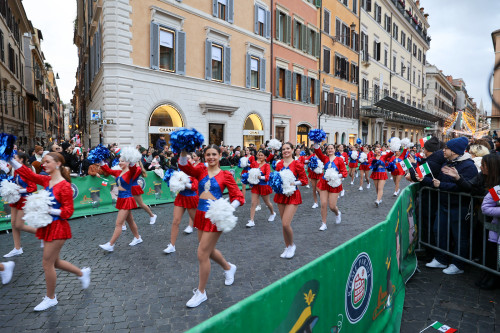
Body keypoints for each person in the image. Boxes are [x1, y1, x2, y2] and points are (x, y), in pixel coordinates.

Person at [9, 153, 91, 311]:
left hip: (58, 227)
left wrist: (49, 210)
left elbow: (68, 212)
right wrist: (9, 159)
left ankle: (51, 298)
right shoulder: (47, 180)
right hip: (48, 227)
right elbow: (28, 174)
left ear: (58, 163)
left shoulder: (64, 185)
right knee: (56, 262)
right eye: (43, 162)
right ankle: (82, 273)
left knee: (47, 264)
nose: (43, 164)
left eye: (47, 162)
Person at [178, 145, 244, 308]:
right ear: (204, 156)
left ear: (220, 155)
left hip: (215, 217)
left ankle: (201, 292)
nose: (211, 157)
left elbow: (238, 196)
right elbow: (184, 166)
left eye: (214, 154)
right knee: (207, 249)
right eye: (208, 155)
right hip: (201, 215)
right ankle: (229, 267)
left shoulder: (226, 175)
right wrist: (183, 151)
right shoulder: (200, 170)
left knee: (202, 253)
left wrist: (227, 209)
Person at [426, 137, 478, 275]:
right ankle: (441, 258)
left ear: (454, 151)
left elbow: (464, 187)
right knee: (440, 232)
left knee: (459, 236)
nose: (443, 150)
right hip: (444, 204)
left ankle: (458, 264)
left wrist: (441, 185)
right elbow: (437, 180)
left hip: (459, 206)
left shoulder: (468, 166)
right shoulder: (446, 163)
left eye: (447, 148)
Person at [99, 157, 144, 251]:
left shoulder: (131, 172)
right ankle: (137, 237)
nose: (119, 163)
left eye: (122, 161)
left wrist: (132, 161)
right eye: (119, 161)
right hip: (121, 199)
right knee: (130, 221)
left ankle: (111, 244)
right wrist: (101, 160)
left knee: (118, 224)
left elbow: (135, 169)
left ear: (128, 162)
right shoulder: (118, 172)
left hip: (127, 199)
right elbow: (108, 170)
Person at [273, 142, 308, 258]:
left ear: (292, 150)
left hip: (293, 194)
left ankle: (292, 245)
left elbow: (304, 180)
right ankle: (287, 246)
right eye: (283, 149)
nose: (285, 151)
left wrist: (293, 183)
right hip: (281, 195)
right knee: (283, 225)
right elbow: (276, 179)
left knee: (286, 223)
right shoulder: (279, 165)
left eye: (288, 148)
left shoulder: (297, 164)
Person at [2, 153, 38, 258]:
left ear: (21, 160)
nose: (13, 160)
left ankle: (44, 233)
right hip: (16, 198)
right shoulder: (15, 170)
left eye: (15, 158)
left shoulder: (27, 170)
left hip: (24, 198)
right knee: (13, 223)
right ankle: (17, 248)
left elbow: (33, 187)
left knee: (19, 224)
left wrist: (19, 190)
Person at [163, 155, 199, 254]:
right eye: (185, 159)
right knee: (176, 221)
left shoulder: (195, 171)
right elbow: (170, 183)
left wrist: (183, 183)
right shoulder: (178, 171)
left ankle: (205, 243)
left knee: (197, 223)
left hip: (192, 198)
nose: (187, 160)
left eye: (189, 159)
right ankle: (172, 245)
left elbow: (194, 187)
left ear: (192, 160)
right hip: (181, 197)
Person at [314, 143, 347, 231]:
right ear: (327, 150)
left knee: (332, 206)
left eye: (332, 148)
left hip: (334, 184)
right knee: (323, 204)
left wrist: (336, 176)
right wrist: (316, 143)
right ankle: (324, 223)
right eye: (328, 149)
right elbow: (318, 152)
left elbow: (344, 173)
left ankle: (337, 213)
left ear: (334, 150)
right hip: (324, 183)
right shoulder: (324, 158)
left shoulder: (339, 160)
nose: (330, 150)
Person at [246, 149, 276, 227]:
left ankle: (272, 213)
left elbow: (267, 177)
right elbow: (250, 172)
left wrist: (259, 177)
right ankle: (251, 220)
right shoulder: (255, 163)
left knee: (267, 203)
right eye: (259, 155)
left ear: (265, 157)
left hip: (264, 186)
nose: (260, 157)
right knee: (253, 203)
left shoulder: (267, 165)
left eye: (261, 155)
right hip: (255, 186)